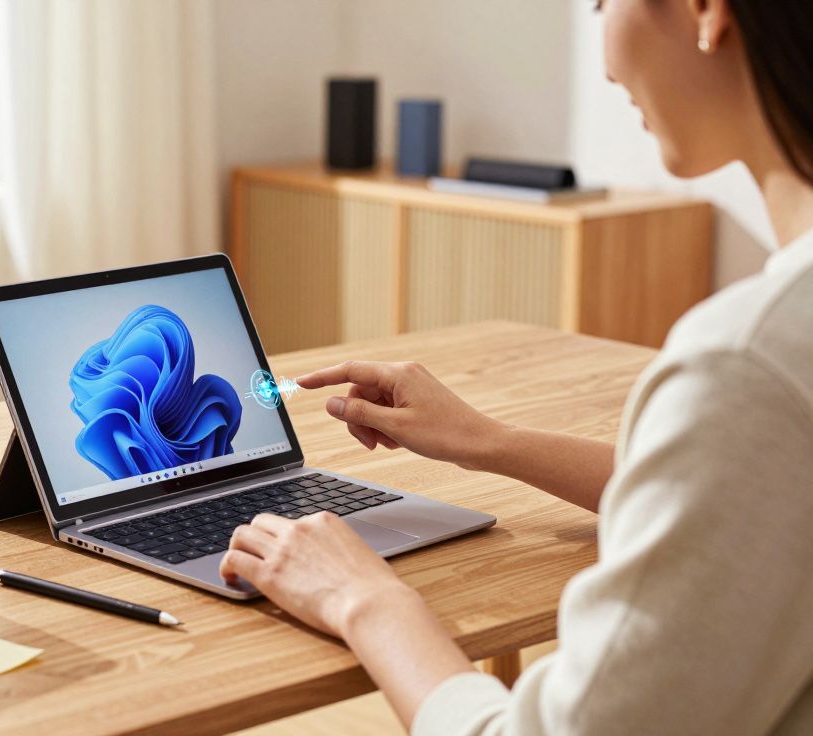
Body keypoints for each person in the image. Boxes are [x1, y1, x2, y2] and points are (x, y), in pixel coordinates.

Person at [219, 0, 813, 733]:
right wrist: (486, 442)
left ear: (703, 11)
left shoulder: (747, 361)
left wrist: (361, 596)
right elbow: (754, 489)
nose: (601, 59)